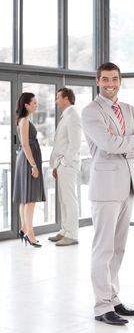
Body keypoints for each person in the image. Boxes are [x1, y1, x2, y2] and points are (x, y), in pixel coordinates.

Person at [81, 62, 134, 326]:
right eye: (105, 79)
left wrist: (129, 143)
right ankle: (101, 307)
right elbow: (109, 144)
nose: (111, 84)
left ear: (120, 81)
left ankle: (113, 297)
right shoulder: (91, 112)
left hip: (127, 186)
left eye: (115, 79)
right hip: (105, 189)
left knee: (118, 248)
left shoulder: (130, 110)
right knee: (103, 248)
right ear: (98, 81)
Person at [49, 87, 81, 246]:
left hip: (68, 165)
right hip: (61, 165)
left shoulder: (73, 114)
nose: (56, 101)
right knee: (63, 199)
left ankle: (73, 234)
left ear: (66, 98)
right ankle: (65, 230)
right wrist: (56, 166)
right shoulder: (66, 115)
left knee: (69, 199)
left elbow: (75, 143)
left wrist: (64, 162)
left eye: (58, 98)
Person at [13, 92, 46, 248]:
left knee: (25, 198)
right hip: (28, 160)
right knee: (30, 199)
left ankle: (24, 228)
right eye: (34, 103)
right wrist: (34, 165)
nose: (36, 105)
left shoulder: (23, 120)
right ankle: (30, 233)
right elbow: (25, 145)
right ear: (26, 105)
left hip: (24, 159)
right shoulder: (25, 121)